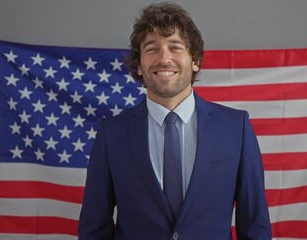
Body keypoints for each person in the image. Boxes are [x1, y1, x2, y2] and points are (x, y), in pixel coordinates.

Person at [78, 2, 272, 239]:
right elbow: (94, 229)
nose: (164, 58)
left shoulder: (236, 128)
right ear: (139, 65)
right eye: (151, 49)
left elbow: (255, 226)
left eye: (175, 47)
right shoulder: (111, 134)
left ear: (195, 61)